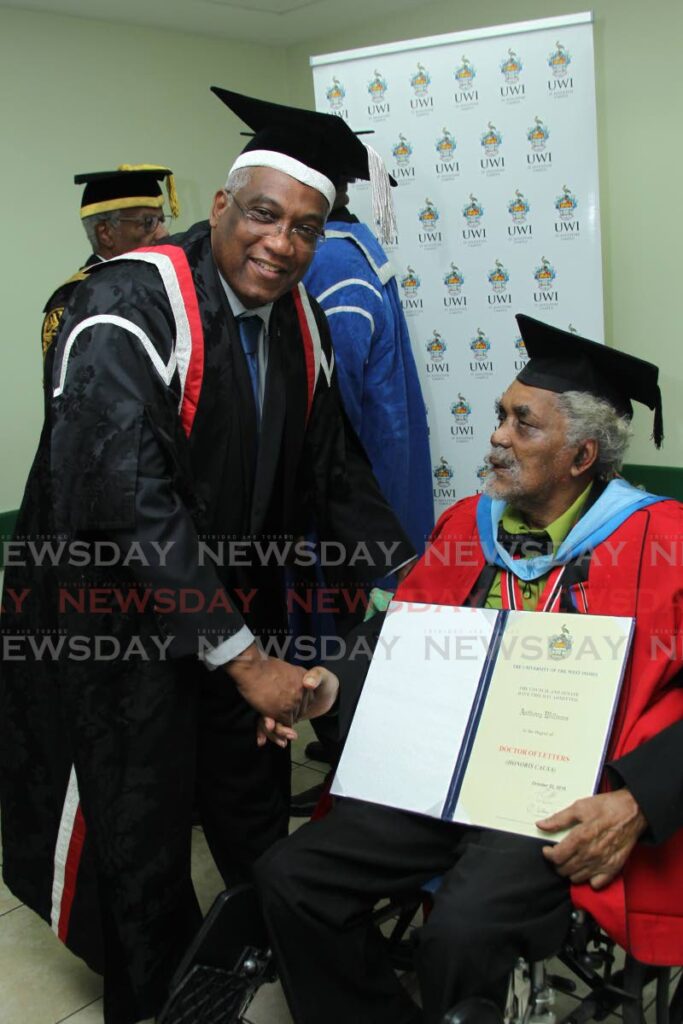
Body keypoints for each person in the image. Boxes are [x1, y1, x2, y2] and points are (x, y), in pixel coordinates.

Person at [0, 89, 415, 1024]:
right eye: (263, 214)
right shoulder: (126, 303)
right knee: (140, 833)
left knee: (252, 801)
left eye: (305, 228)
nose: (281, 243)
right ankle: (156, 1004)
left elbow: (332, 466)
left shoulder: (297, 317)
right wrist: (248, 660)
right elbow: (128, 501)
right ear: (220, 206)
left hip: (232, 610)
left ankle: (286, 957)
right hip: (118, 629)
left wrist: (416, 588)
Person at [255, 314, 683, 1024]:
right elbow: (401, 634)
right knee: (289, 877)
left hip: (554, 802)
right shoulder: (466, 526)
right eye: (499, 416)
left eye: (523, 423)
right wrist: (325, 684)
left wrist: (634, 800)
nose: (497, 435)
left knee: (460, 930)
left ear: (580, 457)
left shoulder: (661, 540)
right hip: (438, 773)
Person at [303, 173, 433, 555]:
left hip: (353, 494)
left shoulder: (329, 259)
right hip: (376, 477)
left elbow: (334, 402)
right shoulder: (353, 248)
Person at [41, 165, 177, 365]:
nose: (163, 233)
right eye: (148, 222)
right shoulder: (72, 301)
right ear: (105, 233)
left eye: (162, 220)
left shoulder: (161, 288)